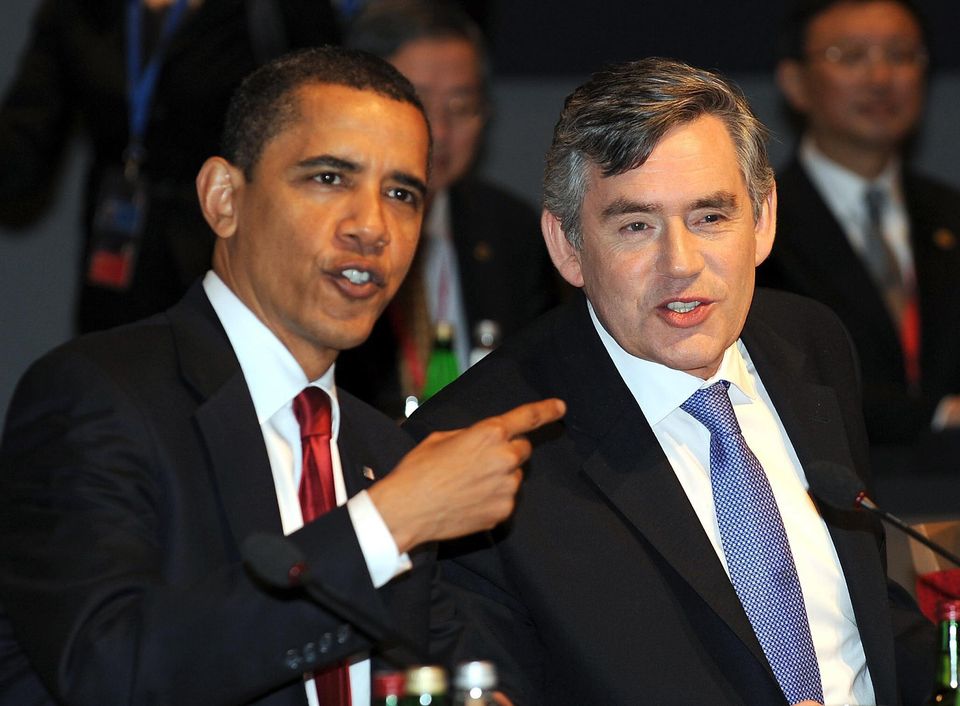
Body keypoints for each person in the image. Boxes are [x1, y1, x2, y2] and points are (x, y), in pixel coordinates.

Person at [0, 47, 564, 706]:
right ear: (223, 199)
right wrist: (386, 523)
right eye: (329, 178)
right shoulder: (94, 398)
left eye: (402, 193)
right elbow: (111, 672)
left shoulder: (382, 452)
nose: (371, 226)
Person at [406, 57, 935, 705]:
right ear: (568, 246)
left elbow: (859, 618)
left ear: (763, 219)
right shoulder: (477, 445)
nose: (680, 264)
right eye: (636, 226)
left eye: (711, 217)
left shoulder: (810, 344)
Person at [0, 0, 341, 334]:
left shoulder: (275, 10)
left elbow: (326, 132)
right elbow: (22, 156)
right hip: (117, 270)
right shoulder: (80, 10)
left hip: (233, 273)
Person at [336, 0, 564, 418]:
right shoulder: (332, 229)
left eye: (461, 108)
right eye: (417, 103)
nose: (439, 131)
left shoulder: (510, 228)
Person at [758, 0, 960, 470]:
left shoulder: (950, 213)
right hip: (830, 492)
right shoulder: (758, 224)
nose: (881, 78)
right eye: (850, 57)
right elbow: (783, 380)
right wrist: (936, 414)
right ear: (795, 82)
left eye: (902, 55)